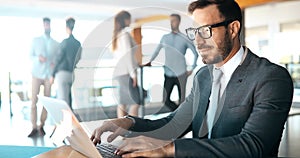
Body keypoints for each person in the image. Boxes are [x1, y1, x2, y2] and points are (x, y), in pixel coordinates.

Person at [90, 0, 294, 157]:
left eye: (205, 31)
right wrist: (127, 123)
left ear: (232, 29)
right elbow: (174, 124)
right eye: (194, 31)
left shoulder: (271, 77)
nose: (197, 40)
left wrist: (168, 149)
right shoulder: (203, 76)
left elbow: (253, 145)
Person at [147, 13, 198, 111]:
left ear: (178, 22)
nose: (171, 23)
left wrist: (192, 68)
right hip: (168, 72)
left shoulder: (185, 38)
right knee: (165, 100)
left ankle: (182, 122)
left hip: (181, 73)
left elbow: (195, 53)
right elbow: (157, 51)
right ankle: (177, 115)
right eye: (170, 21)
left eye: (173, 20)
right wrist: (150, 61)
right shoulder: (165, 37)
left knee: (182, 101)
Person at [28, 17, 59, 137]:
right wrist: (38, 58)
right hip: (36, 74)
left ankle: (42, 125)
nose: (47, 27)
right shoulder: (35, 40)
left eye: (49, 25)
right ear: (43, 25)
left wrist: (54, 63)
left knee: (46, 101)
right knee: (33, 102)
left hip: (48, 76)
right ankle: (33, 127)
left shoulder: (56, 43)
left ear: (50, 26)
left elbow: (57, 59)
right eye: (45, 25)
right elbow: (30, 56)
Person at [111, 10, 141, 118]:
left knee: (122, 102)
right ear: (124, 20)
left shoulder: (117, 36)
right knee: (136, 101)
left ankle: (121, 128)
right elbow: (127, 56)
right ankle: (133, 128)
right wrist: (133, 74)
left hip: (120, 73)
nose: (130, 21)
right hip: (126, 73)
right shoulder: (124, 35)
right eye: (129, 18)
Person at [51, 17, 81, 110]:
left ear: (66, 27)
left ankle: (64, 122)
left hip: (62, 74)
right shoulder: (78, 43)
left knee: (63, 100)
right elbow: (79, 58)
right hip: (72, 74)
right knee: (68, 98)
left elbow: (58, 59)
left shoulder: (65, 42)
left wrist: (52, 74)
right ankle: (70, 121)